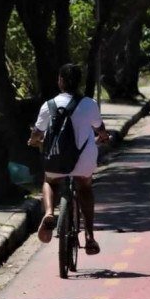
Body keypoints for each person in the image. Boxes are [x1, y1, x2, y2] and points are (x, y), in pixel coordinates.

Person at [28, 64, 109, 255]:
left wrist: (33, 140)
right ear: (79, 81)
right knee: (85, 187)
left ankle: (49, 212)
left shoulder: (48, 105)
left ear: (60, 81)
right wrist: (104, 138)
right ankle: (89, 236)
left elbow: (38, 133)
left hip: (57, 160)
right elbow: (100, 128)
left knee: (49, 181)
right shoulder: (90, 104)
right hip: (84, 159)